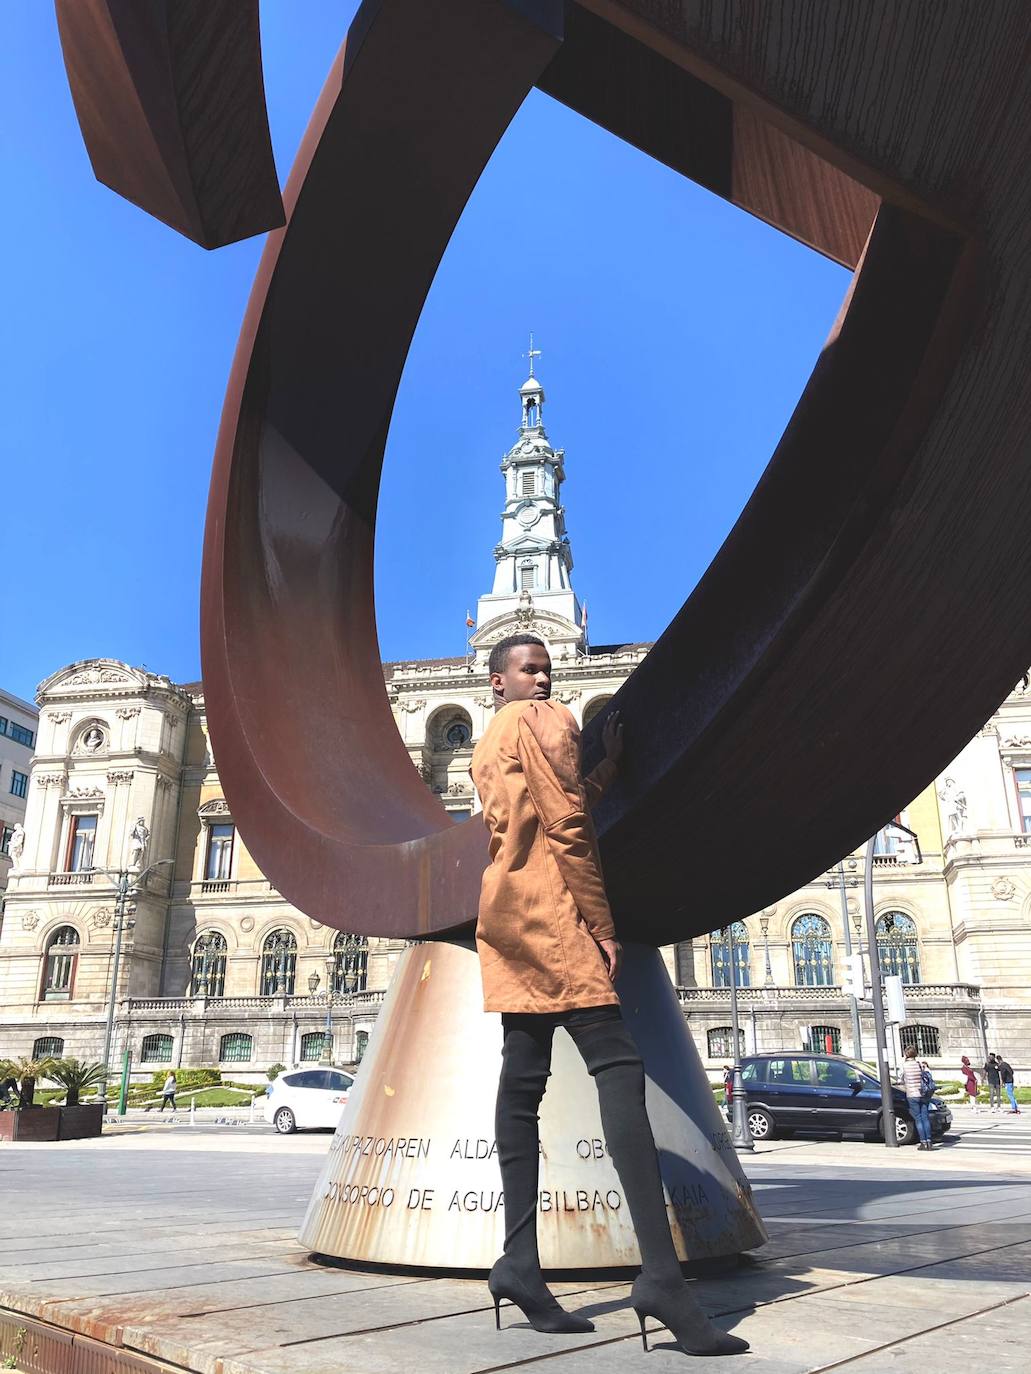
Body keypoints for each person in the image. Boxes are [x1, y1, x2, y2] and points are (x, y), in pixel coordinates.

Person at [472, 633, 747, 1358]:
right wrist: (600, 922)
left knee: (521, 1082)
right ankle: (660, 1279)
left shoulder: (491, 736)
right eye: (529, 668)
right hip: (556, 918)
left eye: (546, 668)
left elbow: (549, 808)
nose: (544, 676)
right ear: (499, 680)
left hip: (505, 915)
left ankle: (518, 1266)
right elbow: (566, 828)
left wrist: (604, 772)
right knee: (619, 1075)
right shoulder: (547, 718)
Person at [900, 1044, 933, 1149]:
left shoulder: (904, 1066)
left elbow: (901, 1079)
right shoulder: (919, 1064)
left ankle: (923, 1142)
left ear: (906, 1054)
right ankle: (929, 1142)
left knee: (918, 1119)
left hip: (912, 1094)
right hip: (923, 1093)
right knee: (925, 1118)